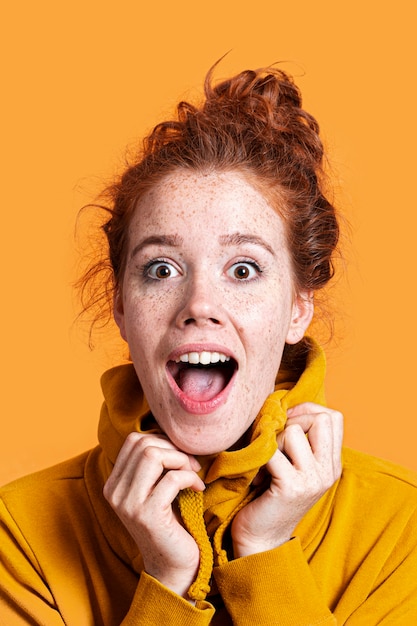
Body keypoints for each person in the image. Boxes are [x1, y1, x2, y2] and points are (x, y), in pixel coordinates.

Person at [1, 64, 416, 626]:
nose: (198, 304)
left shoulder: (400, 528)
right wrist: (165, 583)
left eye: (243, 269)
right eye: (162, 269)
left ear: (299, 306)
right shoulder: (20, 533)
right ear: (122, 306)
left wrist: (267, 555)